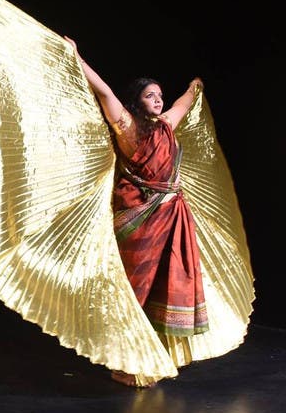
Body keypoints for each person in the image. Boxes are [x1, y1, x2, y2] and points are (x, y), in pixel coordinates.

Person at [66, 37, 207, 386]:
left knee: (167, 285)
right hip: (139, 218)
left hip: (172, 215)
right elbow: (104, 93)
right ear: (137, 102)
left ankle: (152, 356)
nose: (158, 100)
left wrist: (195, 86)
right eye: (150, 95)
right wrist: (77, 57)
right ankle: (124, 361)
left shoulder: (166, 126)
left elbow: (183, 104)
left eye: (160, 95)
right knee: (136, 289)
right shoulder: (128, 126)